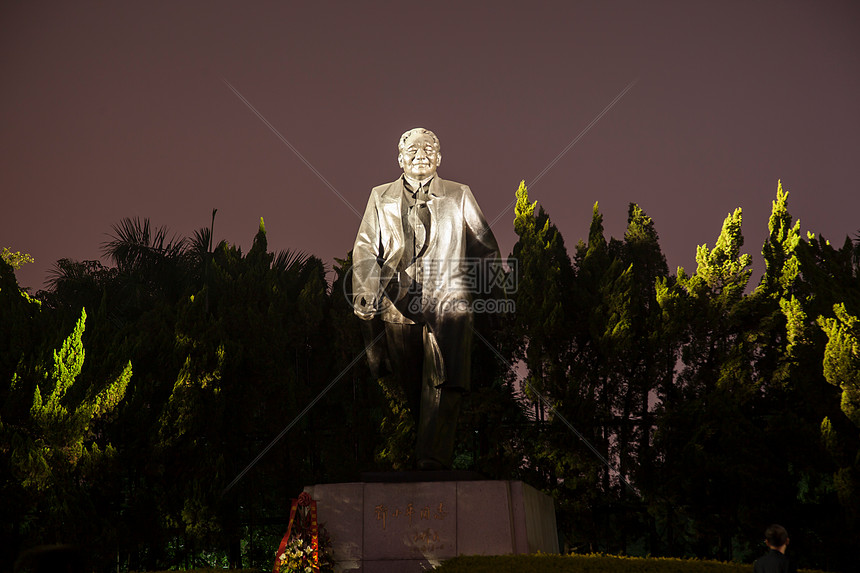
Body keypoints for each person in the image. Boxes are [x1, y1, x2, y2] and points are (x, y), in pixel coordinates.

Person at [352, 128, 500, 470]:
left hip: (450, 302)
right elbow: (364, 247)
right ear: (400, 158)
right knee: (413, 386)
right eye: (413, 148)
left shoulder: (459, 195)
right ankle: (425, 449)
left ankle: (432, 460)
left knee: (444, 380)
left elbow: (485, 249)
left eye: (429, 147)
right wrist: (364, 289)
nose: (421, 153)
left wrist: (487, 300)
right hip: (397, 304)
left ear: (440, 157)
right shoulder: (380, 196)